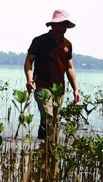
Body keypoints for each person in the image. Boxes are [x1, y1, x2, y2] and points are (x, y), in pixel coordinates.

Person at [24, 9, 81, 140]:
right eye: (60, 24)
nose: (63, 27)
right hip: (41, 86)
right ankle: (44, 148)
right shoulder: (39, 41)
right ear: (52, 25)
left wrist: (75, 89)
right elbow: (28, 62)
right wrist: (29, 79)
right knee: (47, 115)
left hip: (58, 89)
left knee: (54, 119)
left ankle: (47, 146)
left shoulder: (67, 45)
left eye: (65, 24)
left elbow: (70, 68)